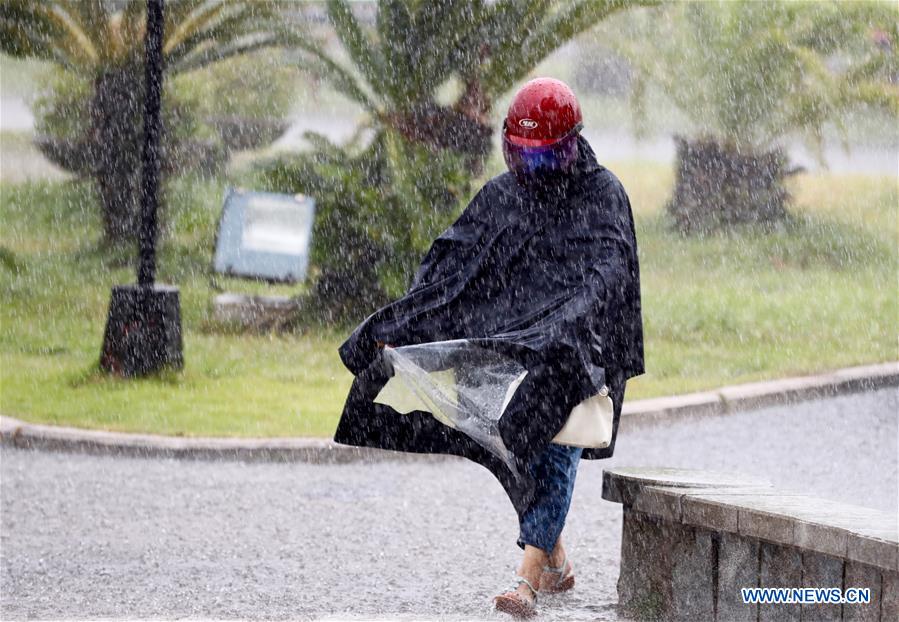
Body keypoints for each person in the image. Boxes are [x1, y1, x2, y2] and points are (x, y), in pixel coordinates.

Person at [333, 77, 644, 618]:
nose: (533, 171)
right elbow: (449, 271)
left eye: (545, 158)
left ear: (571, 146)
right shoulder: (502, 195)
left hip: (574, 357)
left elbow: (607, 280)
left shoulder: (603, 196)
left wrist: (559, 333)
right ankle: (553, 556)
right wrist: (406, 323)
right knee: (512, 450)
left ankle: (525, 581)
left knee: (552, 441)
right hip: (505, 357)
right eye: (522, 156)